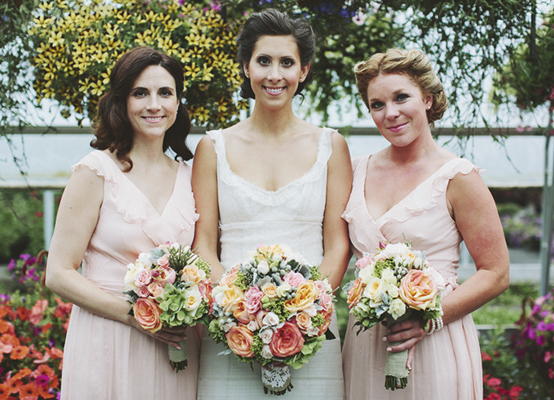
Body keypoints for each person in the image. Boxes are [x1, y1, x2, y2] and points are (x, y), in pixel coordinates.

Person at [192, 8, 352, 399]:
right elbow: (203, 245)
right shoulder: (213, 147)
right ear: (246, 67)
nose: (274, 75)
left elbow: (337, 245)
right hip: (229, 333)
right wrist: (238, 313)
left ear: (305, 70)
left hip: (314, 335)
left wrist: (302, 315)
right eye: (263, 61)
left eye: (287, 62)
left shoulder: (331, 146)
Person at [341, 48, 509, 399]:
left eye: (402, 97)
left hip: (435, 341)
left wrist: (429, 317)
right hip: (366, 342)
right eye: (377, 104)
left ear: (428, 99)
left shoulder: (458, 177)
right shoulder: (354, 170)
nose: (391, 113)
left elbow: (495, 272)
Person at [45, 46, 200, 400]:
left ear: (178, 102)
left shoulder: (191, 177)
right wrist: (135, 315)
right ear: (121, 101)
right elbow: (58, 272)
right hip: (108, 336)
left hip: (176, 344)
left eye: (165, 93)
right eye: (140, 93)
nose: (154, 105)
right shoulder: (95, 171)